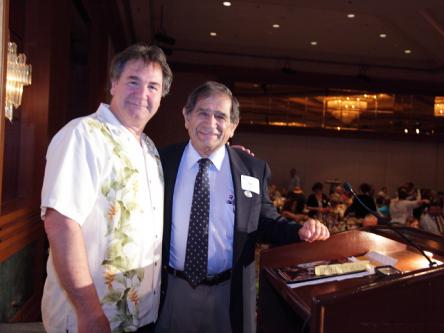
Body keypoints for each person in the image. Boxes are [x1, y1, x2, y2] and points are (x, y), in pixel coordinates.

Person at [155, 81, 330, 333]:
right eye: (203, 112)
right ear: (186, 116)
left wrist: (300, 230)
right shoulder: (161, 162)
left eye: (220, 116)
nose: (210, 123)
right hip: (171, 291)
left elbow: (266, 220)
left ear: (233, 126)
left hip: (229, 294)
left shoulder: (251, 169)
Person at [40, 44, 173, 333]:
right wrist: (89, 313)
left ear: (161, 96)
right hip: (90, 318)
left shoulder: (149, 149)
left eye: (153, 86)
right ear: (113, 83)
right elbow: (61, 223)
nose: (142, 94)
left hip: (141, 316)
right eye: (133, 82)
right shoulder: (83, 134)